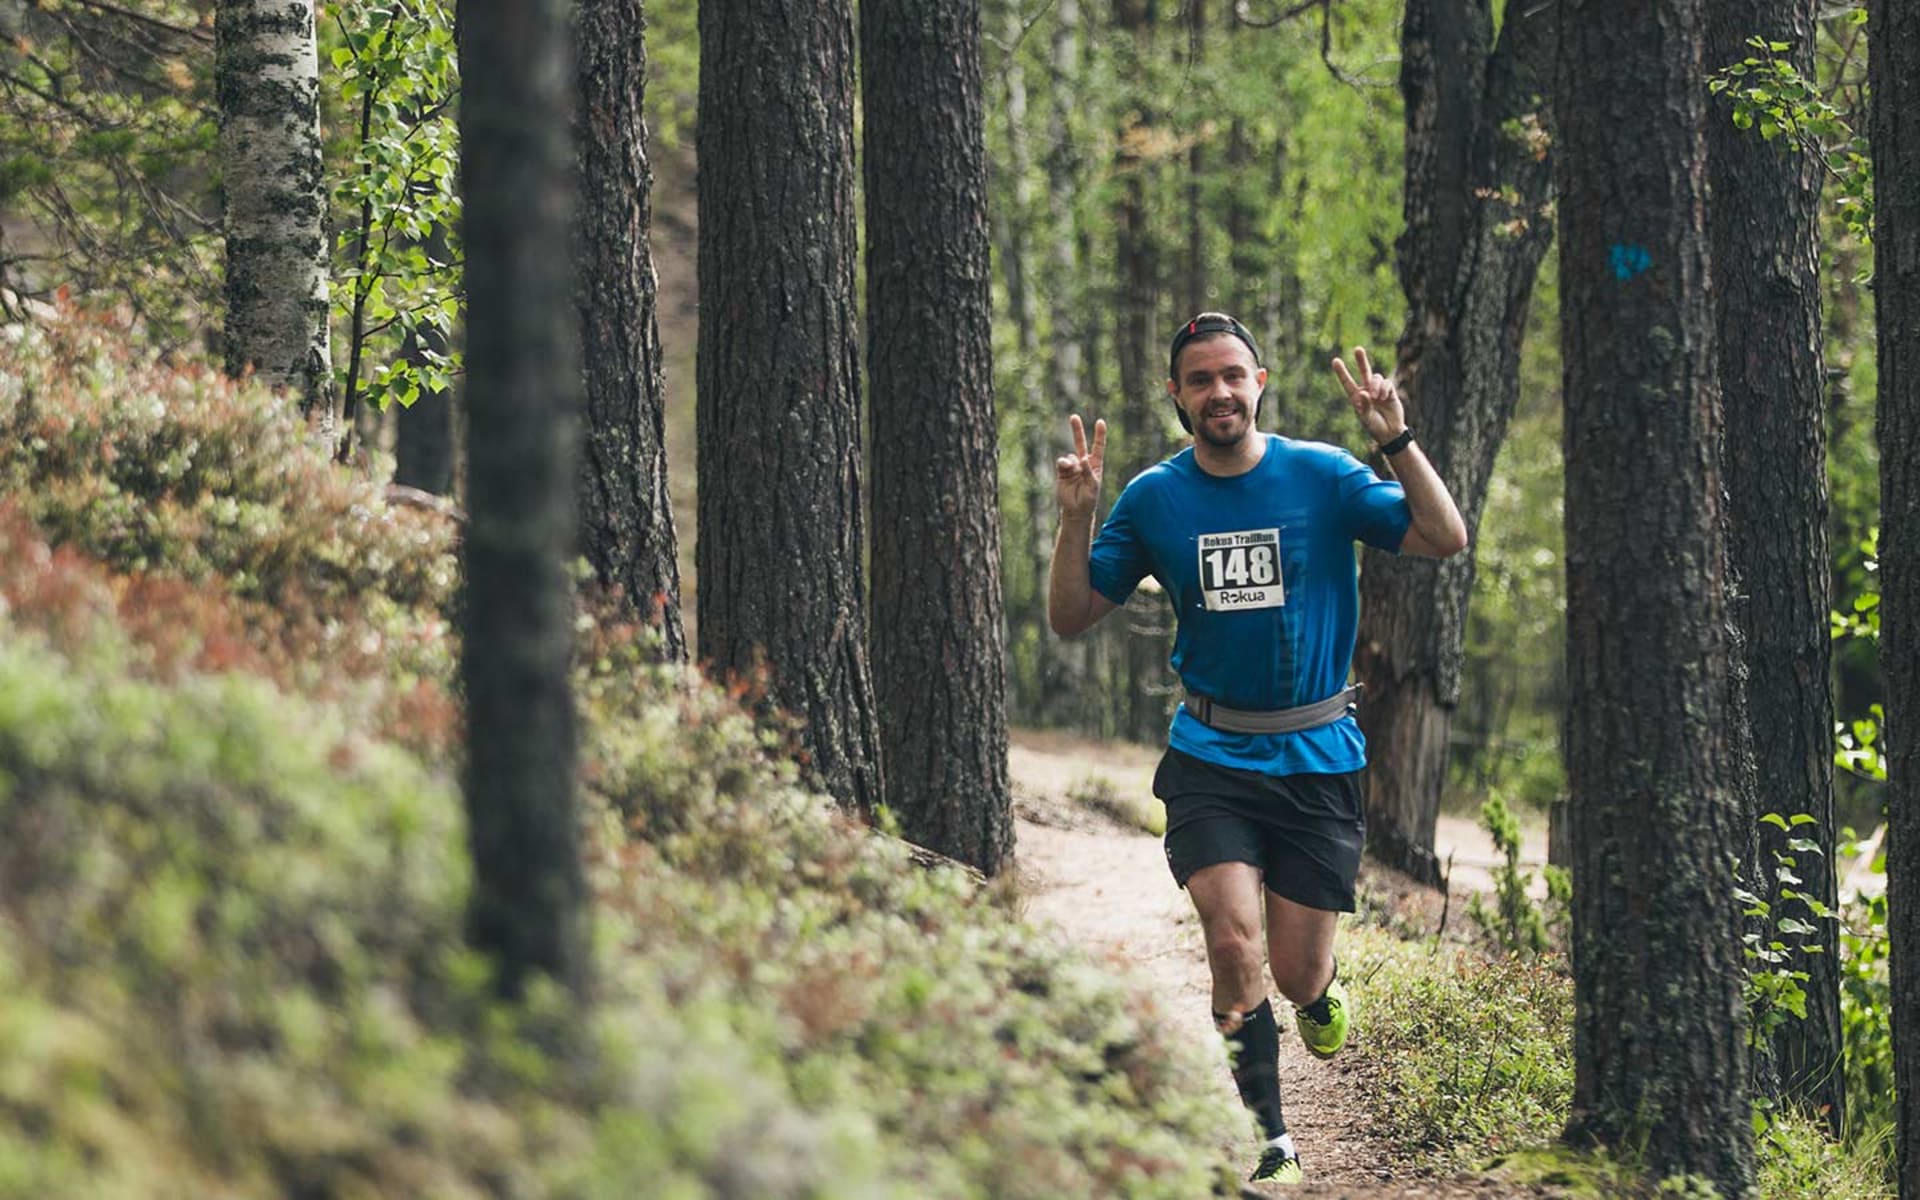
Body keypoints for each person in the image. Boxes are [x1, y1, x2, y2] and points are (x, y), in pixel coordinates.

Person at [1047, 313, 1467, 1185]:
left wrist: (1398, 441)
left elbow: (1443, 536)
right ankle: (1270, 1138)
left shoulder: (1321, 474)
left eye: (1233, 375)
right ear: (1177, 396)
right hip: (1211, 757)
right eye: (1199, 381)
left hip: (1318, 756)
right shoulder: (1155, 499)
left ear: (1260, 381)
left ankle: (1315, 997)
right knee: (1233, 949)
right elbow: (1071, 614)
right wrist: (1076, 520)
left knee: (1295, 969)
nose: (1219, 393)